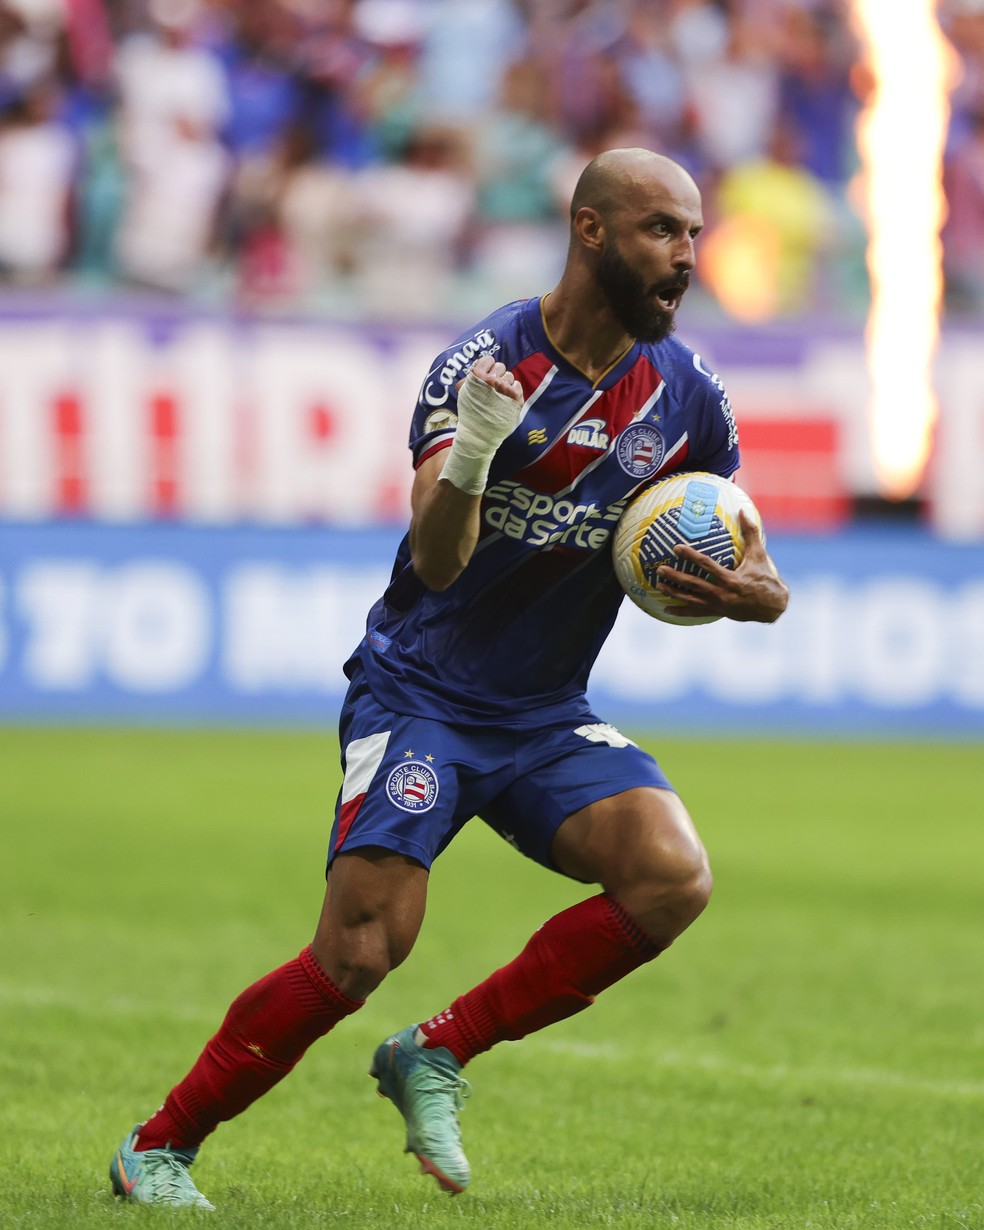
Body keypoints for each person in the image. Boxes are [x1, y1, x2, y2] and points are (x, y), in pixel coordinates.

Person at [109, 147, 789, 1209]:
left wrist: (760, 595)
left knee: (671, 877)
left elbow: (742, 548)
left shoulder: (689, 396)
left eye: (694, 235)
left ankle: (437, 1051)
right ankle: (158, 1145)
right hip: (422, 694)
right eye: (663, 230)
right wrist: (474, 454)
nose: (687, 257)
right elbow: (435, 561)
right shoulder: (486, 368)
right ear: (594, 232)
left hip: (543, 713)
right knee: (359, 951)